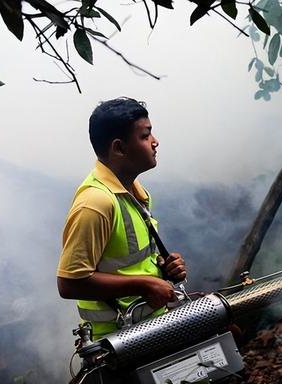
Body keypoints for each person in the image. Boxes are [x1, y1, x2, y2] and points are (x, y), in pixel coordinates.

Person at [56, 97, 186, 340]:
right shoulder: (95, 203)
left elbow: (126, 262)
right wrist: (144, 285)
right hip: (118, 339)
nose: (155, 142)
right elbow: (69, 282)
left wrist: (162, 268)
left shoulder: (132, 189)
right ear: (119, 148)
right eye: (145, 136)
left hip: (150, 325)